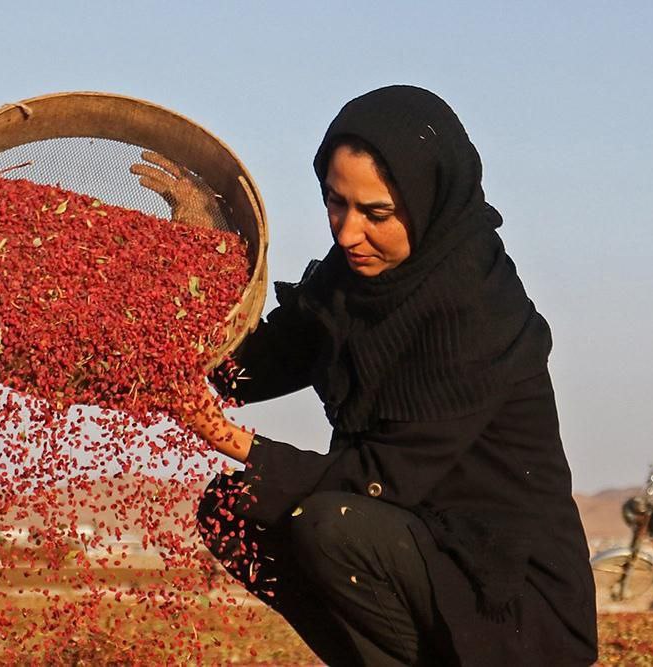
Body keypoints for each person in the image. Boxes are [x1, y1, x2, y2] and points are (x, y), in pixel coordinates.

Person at [141, 85, 598, 666]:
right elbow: (243, 371)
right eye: (335, 203)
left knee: (331, 526)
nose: (347, 232)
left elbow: (381, 479)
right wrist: (204, 260)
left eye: (376, 213)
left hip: (507, 599)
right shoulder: (350, 279)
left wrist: (228, 438)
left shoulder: (474, 307)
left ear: (428, 199)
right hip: (409, 539)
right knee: (235, 508)